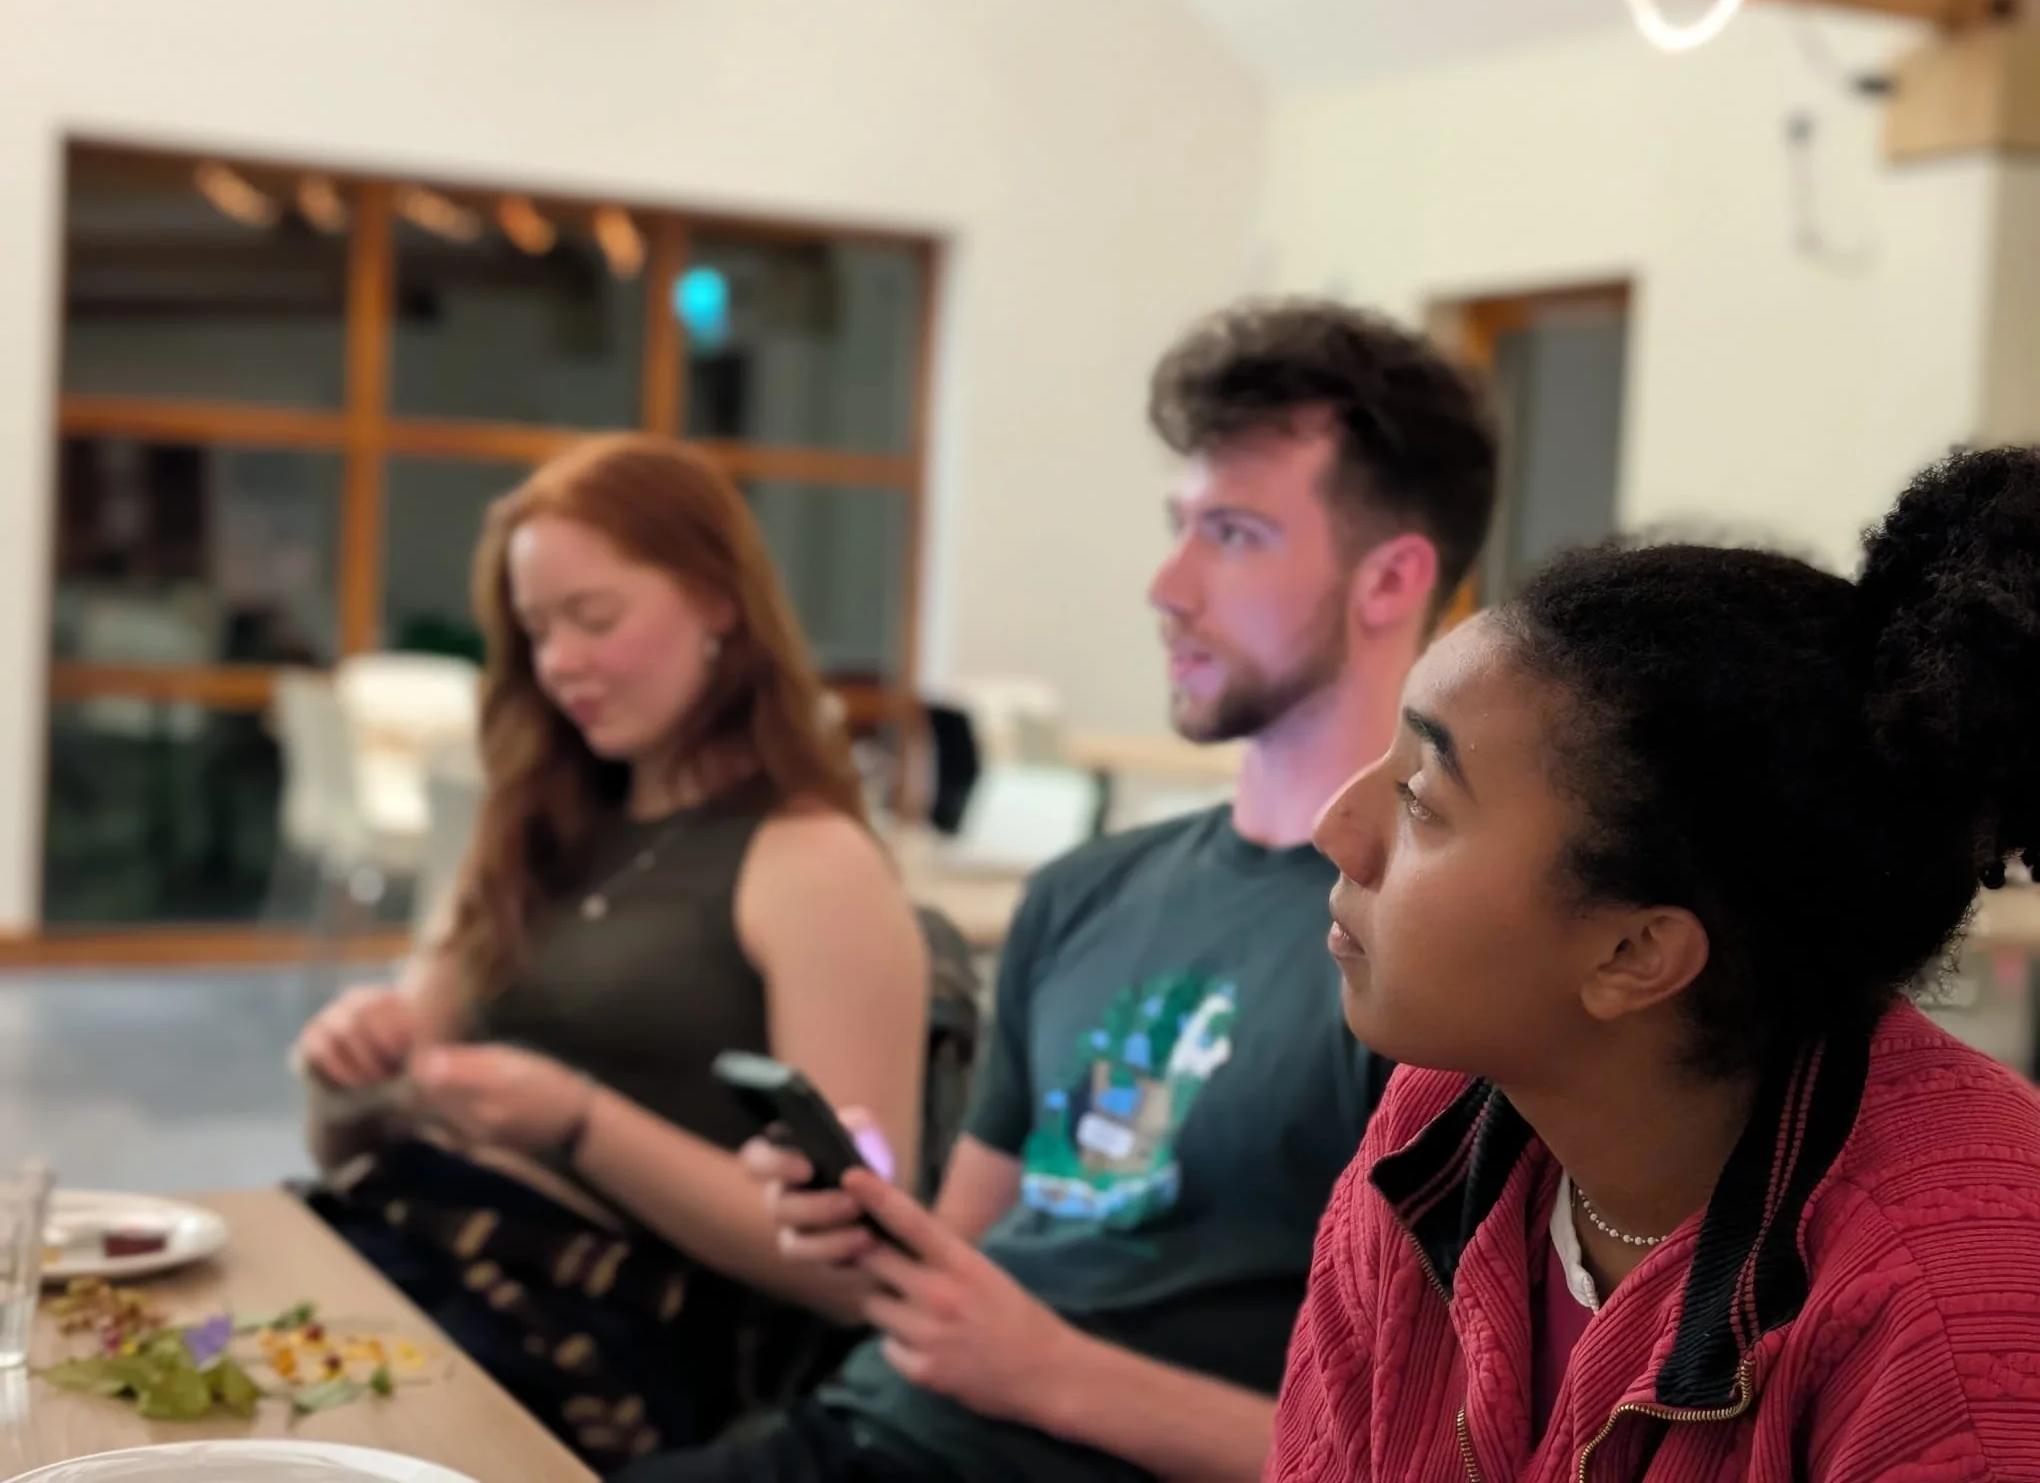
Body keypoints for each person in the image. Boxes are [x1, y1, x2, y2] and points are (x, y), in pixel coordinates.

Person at [620, 298, 1500, 1483]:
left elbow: (1430, 1460)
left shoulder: (1426, 954)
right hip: (859, 1435)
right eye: (1180, 525)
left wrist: (1049, 1373)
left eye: (1233, 535)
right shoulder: (1084, 893)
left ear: (1391, 580)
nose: (1167, 585)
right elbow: (971, 1257)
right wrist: (870, 1212)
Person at [1272, 447, 2040, 1481]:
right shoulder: (1441, 1132)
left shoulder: (1964, 1297)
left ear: (1637, 953)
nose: (1336, 828)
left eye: (1421, 800)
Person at [292, 433, 929, 1471]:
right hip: (420, 1248)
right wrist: (346, 1072)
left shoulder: (811, 863)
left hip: (609, 1339)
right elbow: (349, 1146)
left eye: (595, 619)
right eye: (539, 632)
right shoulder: (531, 827)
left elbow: (858, 1273)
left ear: (720, 602)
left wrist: (581, 1126)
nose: (560, 665)